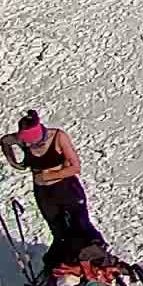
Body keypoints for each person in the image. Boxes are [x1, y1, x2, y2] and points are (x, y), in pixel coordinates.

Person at [6, 111, 99, 266]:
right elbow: (6, 141)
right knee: (57, 229)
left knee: (81, 224)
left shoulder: (57, 137)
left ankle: (94, 259)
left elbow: (75, 167)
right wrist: (15, 162)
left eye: (34, 143)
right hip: (44, 194)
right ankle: (66, 262)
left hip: (66, 188)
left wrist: (49, 176)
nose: (29, 146)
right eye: (26, 143)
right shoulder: (22, 139)